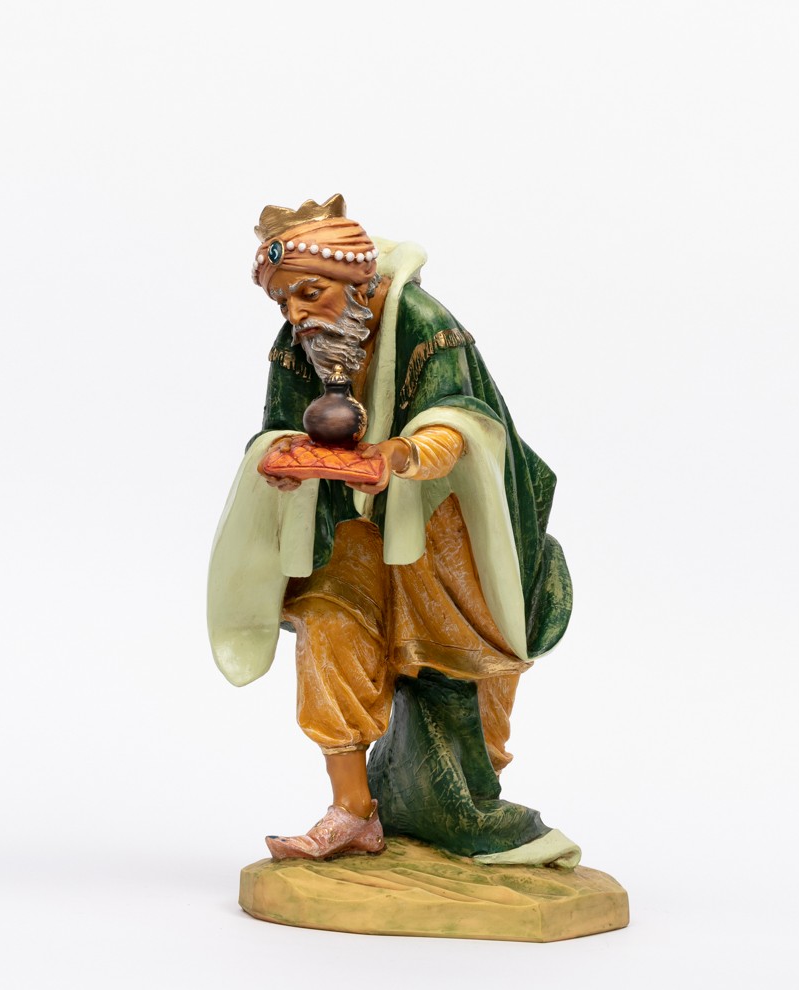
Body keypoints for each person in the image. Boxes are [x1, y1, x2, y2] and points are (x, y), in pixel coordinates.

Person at [208, 195, 578, 865]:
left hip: (439, 521)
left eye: (309, 293)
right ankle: (351, 811)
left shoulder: (423, 322)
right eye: (283, 301)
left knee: (459, 660)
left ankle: (467, 794)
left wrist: (399, 457)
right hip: (347, 522)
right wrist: (282, 459)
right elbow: (279, 425)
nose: (295, 314)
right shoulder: (301, 340)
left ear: (356, 280)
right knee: (327, 627)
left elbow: (462, 421)